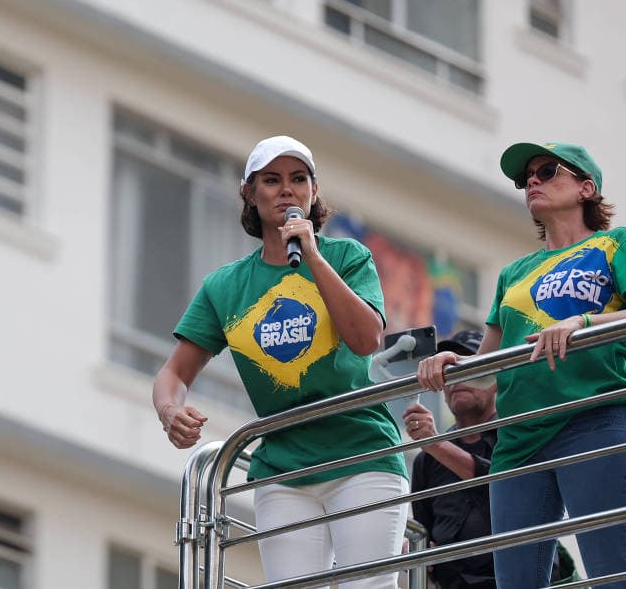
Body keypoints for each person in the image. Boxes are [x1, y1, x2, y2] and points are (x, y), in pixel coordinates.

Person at [153, 135, 409, 587]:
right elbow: (174, 372)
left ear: (313, 192)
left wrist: (311, 255)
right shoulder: (225, 286)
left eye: (298, 179)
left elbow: (366, 338)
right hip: (283, 468)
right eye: (271, 180)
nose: (286, 190)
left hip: (363, 454)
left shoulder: (347, 257)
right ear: (250, 194)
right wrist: (170, 410)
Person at [417, 142, 626, 587]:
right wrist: (452, 362)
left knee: (612, 572)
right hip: (517, 439)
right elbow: (487, 366)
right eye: (525, 177)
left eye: (547, 171)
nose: (532, 181)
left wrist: (583, 321)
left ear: (586, 187)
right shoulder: (514, 274)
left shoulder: (614, 244)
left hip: (591, 417)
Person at [404, 330, 578, 589]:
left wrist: (436, 444)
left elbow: (512, 490)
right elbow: (423, 535)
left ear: (494, 378)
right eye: (448, 373)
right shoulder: (426, 461)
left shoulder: (521, 433)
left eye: (468, 367)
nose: (457, 379)